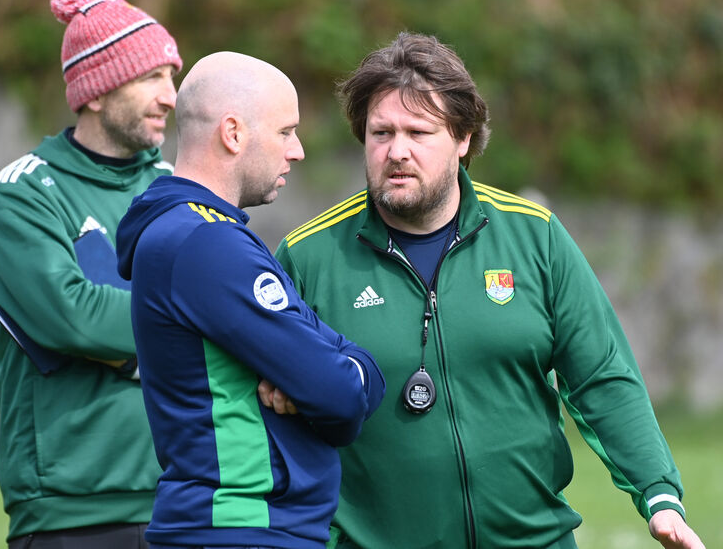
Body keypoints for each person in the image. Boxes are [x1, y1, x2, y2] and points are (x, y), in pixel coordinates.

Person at [272, 32, 706, 549]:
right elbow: (266, 405)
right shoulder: (308, 257)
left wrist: (658, 494)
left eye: (418, 131)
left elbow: (601, 376)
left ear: (463, 138)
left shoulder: (534, 233)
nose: (397, 151)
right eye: (380, 132)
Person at [115, 51, 386, 549]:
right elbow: (341, 394)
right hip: (241, 529)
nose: (298, 150)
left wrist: (335, 374)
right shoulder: (206, 244)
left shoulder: (194, 234)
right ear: (234, 133)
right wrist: (348, 373)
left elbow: (333, 379)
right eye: (286, 131)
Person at [0, 0, 183, 548]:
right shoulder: (21, 193)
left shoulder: (174, 189)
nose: (171, 95)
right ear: (94, 91)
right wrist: (194, 324)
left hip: (181, 493)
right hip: (72, 511)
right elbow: (73, 315)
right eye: (151, 77)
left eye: (171, 76)